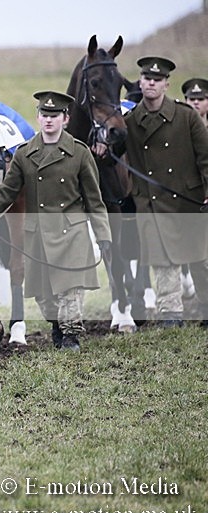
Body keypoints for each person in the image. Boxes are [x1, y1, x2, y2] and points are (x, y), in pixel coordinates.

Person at [0, 90, 112, 351]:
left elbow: (94, 200)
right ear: (38, 117)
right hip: (37, 234)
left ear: (65, 119)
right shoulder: (25, 154)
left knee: (70, 289)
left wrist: (103, 235)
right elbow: (7, 193)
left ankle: (71, 335)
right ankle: (58, 324)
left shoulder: (80, 153)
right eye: (44, 115)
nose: (49, 120)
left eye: (55, 115)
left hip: (70, 232)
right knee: (45, 298)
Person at [125, 57, 208, 328]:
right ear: (140, 82)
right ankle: (170, 314)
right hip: (150, 201)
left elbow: (205, 158)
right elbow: (114, 155)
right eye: (147, 78)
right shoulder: (130, 121)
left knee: (200, 259)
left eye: (157, 80)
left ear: (166, 85)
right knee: (162, 260)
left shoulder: (186, 116)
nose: (151, 83)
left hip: (189, 199)